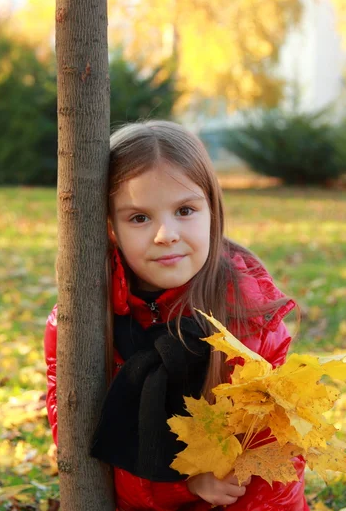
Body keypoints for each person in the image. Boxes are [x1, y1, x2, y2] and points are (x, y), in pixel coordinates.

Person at [44, 120, 309, 511]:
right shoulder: (79, 322)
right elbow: (81, 447)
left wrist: (211, 479)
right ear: (110, 228)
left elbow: (274, 468)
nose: (166, 233)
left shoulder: (247, 317)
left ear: (212, 211)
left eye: (185, 210)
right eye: (139, 218)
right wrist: (184, 483)